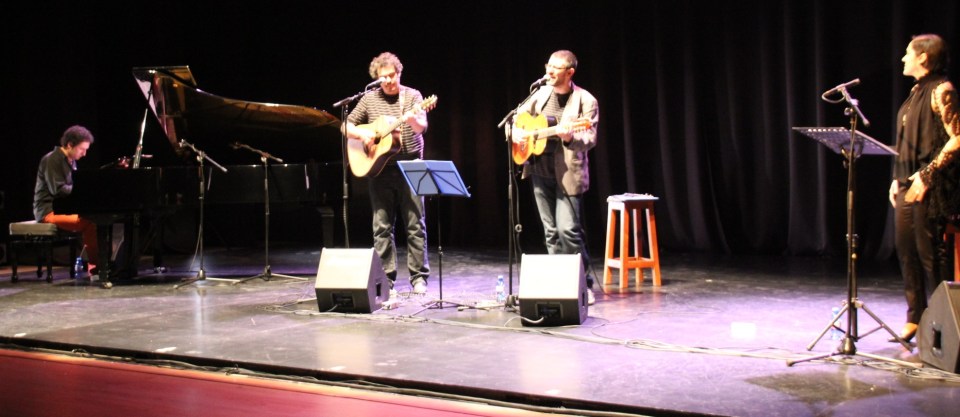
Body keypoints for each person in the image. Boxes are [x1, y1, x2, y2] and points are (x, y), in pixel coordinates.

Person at [512, 50, 600, 304]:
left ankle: (583, 283)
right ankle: (561, 283)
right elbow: (516, 119)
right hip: (539, 171)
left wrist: (569, 136)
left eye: (556, 68)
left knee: (568, 230)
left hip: (568, 174)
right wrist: (516, 132)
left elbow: (589, 138)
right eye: (548, 66)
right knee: (550, 232)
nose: (549, 71)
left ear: (570, 72)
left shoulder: (585, 101)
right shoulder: (540, 94)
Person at [889, 34, 960, 342]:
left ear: (924, 57)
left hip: (930, 185)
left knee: (930, 255)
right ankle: (915, 317)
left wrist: (927, 174)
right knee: (906, 251)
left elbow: (957, 138)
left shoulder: (942, 89)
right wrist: (897, 178)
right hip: (908, 181)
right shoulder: (916, 91)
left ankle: (944, 323)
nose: (903, 58)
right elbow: (908, 142)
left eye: (908, 53)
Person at [344, 52, 430, 295]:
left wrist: (412, 120)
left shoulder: (412, 96)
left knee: (415, 225)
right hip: (380, 168)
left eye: (392, 76)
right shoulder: (369, 99)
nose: (389, 81)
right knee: (381, 226)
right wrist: (363, 134)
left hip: (411, 165)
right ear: (377, 78)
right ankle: (385, 278)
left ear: (399, 73)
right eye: (384, 78)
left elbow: (421, 127)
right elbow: (345, 125)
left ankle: (418, 277)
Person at [33, 125, 99, 272]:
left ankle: (98, 262)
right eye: (82, 149)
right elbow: (57, 189)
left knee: (95, 217)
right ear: (69, 145)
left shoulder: (71, 161)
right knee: (90, 221)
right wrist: (82, 190)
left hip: (62, 209)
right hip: (48, 211)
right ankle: (95, 265)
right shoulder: (51, 159)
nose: (84, 154)